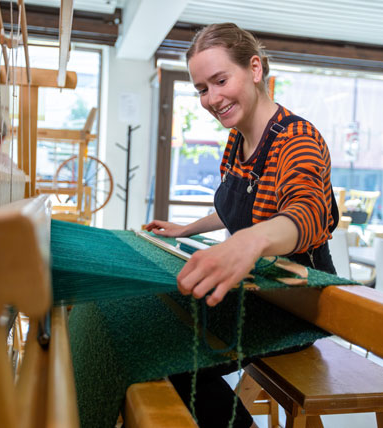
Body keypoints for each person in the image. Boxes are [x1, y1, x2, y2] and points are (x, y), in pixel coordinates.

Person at [145, 23, 338, 428]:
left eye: (219, 81)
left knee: (173, 356)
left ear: (254, 68)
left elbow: (305, 213)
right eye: (201, 89)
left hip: (299, 308)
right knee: (158, 333)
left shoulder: (298, 140)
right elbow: (240, 209)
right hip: (257, 293)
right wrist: (186, 230)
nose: (212, 99)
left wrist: (249, 243)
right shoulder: (237, 141)